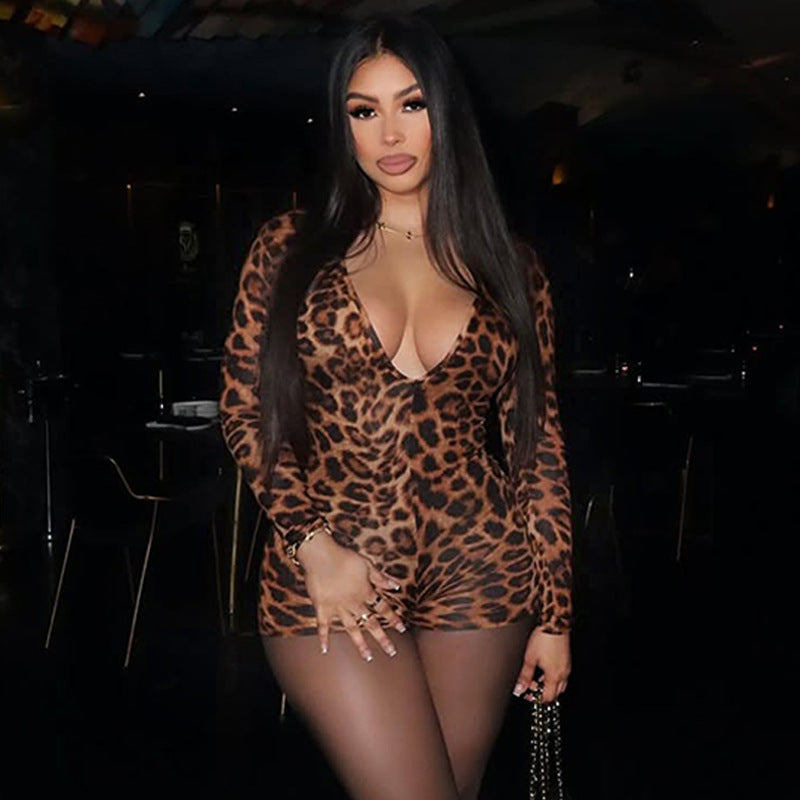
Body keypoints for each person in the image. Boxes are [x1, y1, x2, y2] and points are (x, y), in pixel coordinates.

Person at [220, 14, 572, 800]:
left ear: (447, 112)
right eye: (364, 110)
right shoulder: (290, 248)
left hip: (481, 572)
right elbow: (247, 411)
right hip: (332, 565)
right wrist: (313, 545)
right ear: (342, 124)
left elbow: (537, 448)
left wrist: (556, 615)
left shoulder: (512, 267)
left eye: (411, 104)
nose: (388, 133)